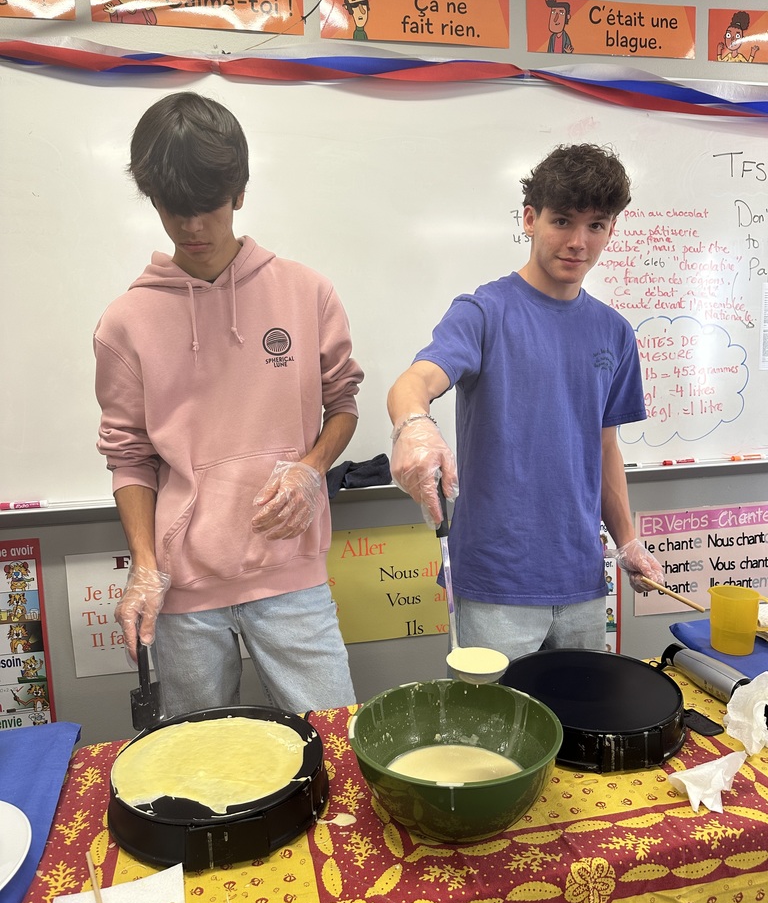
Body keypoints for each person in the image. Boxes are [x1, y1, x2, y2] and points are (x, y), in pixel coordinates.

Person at [94, 91, 364, 717]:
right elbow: (129, 458)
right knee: (201, 767)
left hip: (291, 574)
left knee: (333, 743)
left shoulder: (306, 292)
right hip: (185, 589)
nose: (192, 227)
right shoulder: (126, 323)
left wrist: (311, 468)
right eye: (172, 209)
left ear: (239, 192)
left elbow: (342, 403)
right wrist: (144, 565)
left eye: (208, 207)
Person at [387, 143, 664, 661]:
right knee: (495, 734)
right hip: (496, 580)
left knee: (581, 728)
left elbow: (605, 448)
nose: (578, 242)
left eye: (596, 226)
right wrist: (412, 425)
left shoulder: (614, 332)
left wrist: (627, 541)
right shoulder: (484, 312)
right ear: (530, 219)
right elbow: (415, 380)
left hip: (582, 575)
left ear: (611, 230)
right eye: (562, 221)